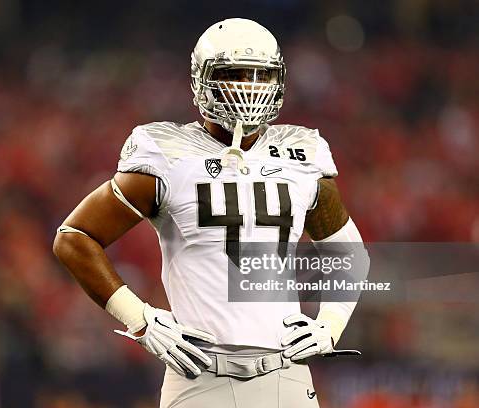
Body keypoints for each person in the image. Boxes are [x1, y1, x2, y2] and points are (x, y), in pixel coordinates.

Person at [53, 18, 369, 408]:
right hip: (200, 375)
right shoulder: (167, 152)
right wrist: (141, 319)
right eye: (233, 74)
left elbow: (348, 253)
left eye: (260, 76)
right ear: (202, 79)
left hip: (286, 372)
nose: (248, 88)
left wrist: (331, 325)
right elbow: (75, 237)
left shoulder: (301, 152)